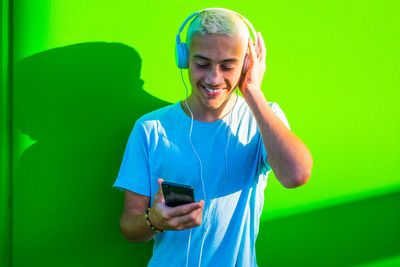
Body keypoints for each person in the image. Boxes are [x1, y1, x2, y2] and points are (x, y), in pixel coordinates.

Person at [113, 8, 313, 267]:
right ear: (184, 59)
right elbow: (129, 224)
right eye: (202, 64)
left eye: (228, 66)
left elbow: (296, 174)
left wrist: (252, 91)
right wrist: (155, 221)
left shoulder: (263, 118)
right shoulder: (150, 128)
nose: (213, 78)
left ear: (246, 65)